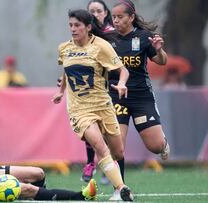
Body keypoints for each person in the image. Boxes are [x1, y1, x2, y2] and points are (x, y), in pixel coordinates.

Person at [52, 9, 133, 201]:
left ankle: (117, 188)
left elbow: (123, 71)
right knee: (99, 147)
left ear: (88, 27)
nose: (73, 29)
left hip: (103, 105)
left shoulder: (101, 46)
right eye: (70, 25)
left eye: (77, 25)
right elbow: (67, 71)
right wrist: (61, 91)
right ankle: (121, 189)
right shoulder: (64, 48)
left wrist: (121, 84)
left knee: (118, 152)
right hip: (79, 110)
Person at [107, 0, 170, 190]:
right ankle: (120, 189)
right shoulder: (108, 39)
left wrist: (159, 50)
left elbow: (162, 62)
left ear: (131, 17)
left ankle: (163, 143)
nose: (116, 21)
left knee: (155, 146)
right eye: (114, 17)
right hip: (116, 97)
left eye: (120, 17)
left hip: (141, 97)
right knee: (116, 148)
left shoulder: (144, 37)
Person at [81, 0, 116, 185]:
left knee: (107, 131)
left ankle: (107, 165)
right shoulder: (82, 36)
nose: (95, 14)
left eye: (98, 11)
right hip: (90, 89)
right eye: (91, 11)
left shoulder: (113, 34)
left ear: (105, 13)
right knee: (89, 126)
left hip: (113, 88)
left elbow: (119, 63)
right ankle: (89, 163)